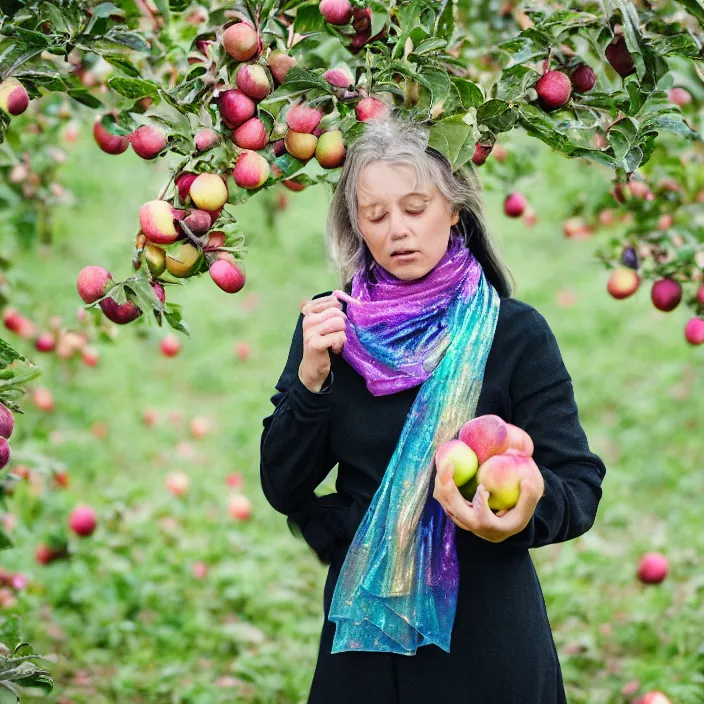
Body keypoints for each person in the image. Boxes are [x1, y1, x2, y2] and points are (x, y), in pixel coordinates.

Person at [259, 117, 606, 704]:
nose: (398, 230)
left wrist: (521, 511)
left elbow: (578, 485)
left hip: (486, 632)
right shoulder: (332, 329)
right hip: (367, 645)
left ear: (454, 208)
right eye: (375, 215)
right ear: (356, 226)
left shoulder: (514, 334)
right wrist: (310, 381)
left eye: (416, 207)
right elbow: (283, 486)